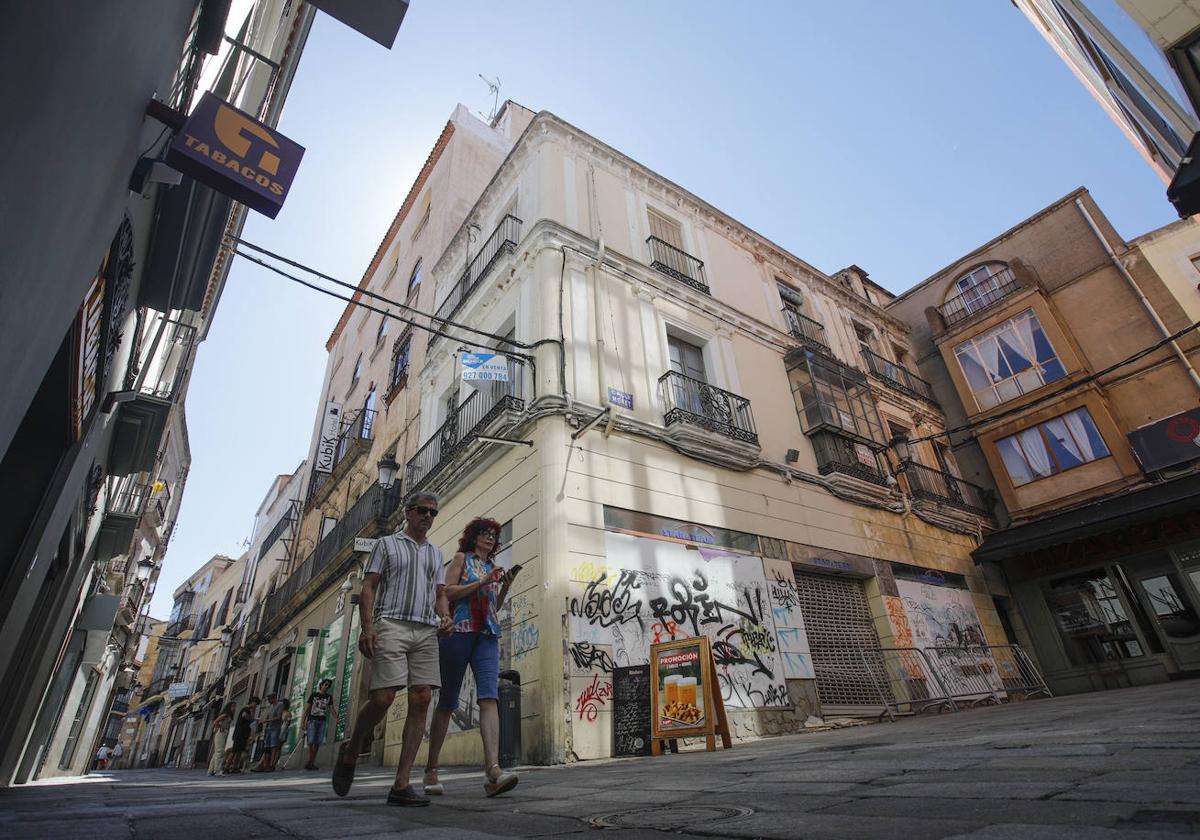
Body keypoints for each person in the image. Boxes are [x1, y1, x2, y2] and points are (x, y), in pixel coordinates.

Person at [332, 492, 452, 806]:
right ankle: (352, 747)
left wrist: (446, 617)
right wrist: (368, 626)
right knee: (383, 697)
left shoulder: (436, 554)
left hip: (425, 629)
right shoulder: (386, 545)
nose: (428, 517)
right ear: (408, 513)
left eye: (432, 513)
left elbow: (439, 594)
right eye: (422, 511)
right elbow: (369, 586)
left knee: (422, 697)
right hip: (391, 624)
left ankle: (401, 784)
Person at [424, 517, 520, 798]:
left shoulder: (493, 567)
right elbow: (447, 592)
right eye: (485, 533)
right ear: (474, 536)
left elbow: (494, 606)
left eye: (494, 535)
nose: (490, 538)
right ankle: (431, 769)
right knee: (448, 701)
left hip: (487, 635)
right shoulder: (461, 559)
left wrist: (504, 586)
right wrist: (481, 581)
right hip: (459, 632)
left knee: (489, 698)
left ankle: (493, 770)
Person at [302, 679, 335, 770]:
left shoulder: (329, 697)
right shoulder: (314, 695)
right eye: (325, 684)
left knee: (317, 742)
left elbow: (332, 708)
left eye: (328, 686)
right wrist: (303, 721)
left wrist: (336, 717)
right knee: (311, 741)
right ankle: (310, 760)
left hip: (322, 721)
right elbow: (308, 709)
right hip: (312, 720)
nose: (327, 687)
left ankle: (311, 762)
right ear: (321, 685)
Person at [224, 696, 260, 774]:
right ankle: (226, 767)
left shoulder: (247, 710)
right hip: (240, 734)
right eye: (255, 704)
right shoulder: (246, 709)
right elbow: (244, 715)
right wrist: (253, 719)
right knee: (234, 750)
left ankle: (235, 767)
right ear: (252, 702)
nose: (255, 706)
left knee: (239, 751)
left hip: (243, 734)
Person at [253, 694, 287, 772]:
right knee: (267, 747)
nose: (268, 701)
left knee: (274, 747)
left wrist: (267, 721)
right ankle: (265, 765)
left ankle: (271, 765)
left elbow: (278, 717)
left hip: (276, 728)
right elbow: (268, 716)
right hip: (269, 728)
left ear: (273, 699)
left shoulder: (279, 705)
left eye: (269, 699)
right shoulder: (271, 707)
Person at [209, 701, 235, 776]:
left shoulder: (229, 715)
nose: (234, 708)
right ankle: (217, 770)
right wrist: (221, 727)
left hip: (224, 733)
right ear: (229, 707)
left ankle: (211, 770)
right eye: (233, 707)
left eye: (234, 707)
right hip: (221, 733)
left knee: (217, 752)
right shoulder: (225, 714)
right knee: (220, 752)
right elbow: (215, 722)